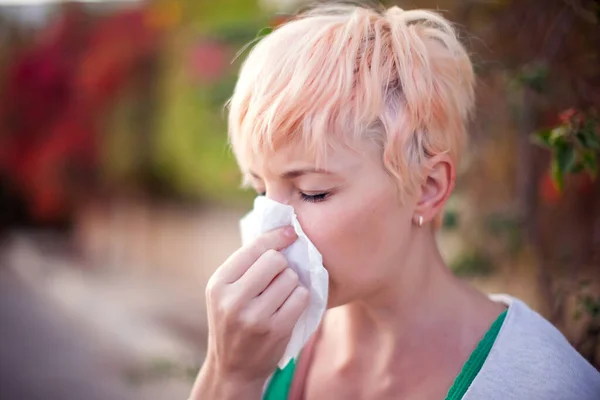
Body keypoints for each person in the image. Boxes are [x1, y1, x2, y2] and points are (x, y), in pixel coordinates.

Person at [189, 3, 600, 399]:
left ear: (427, 188)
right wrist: (229, 376)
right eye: (261, 190)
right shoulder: (258, 342)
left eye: (313, 192)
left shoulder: (538, 383)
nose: (273, 229)